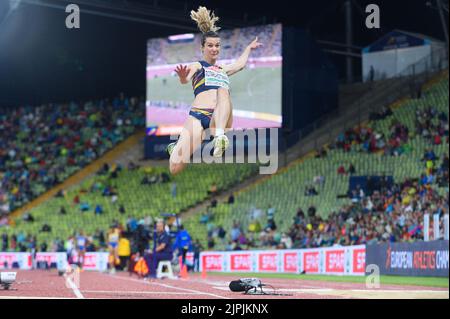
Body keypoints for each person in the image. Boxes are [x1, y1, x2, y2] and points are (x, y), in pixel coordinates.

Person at [166, 6, 262, 175]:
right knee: (175, 168)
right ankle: (175, 148)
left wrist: (248, 48)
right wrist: (182, 77)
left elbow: (240, 64)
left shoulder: (222, 69)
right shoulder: (198, 65)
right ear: (203, 48)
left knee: (222, 88)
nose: (214, 49)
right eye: (210, 45)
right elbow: (186, 79)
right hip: (197, 115)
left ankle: (219, 139)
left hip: (220, 119)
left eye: (217, 45)